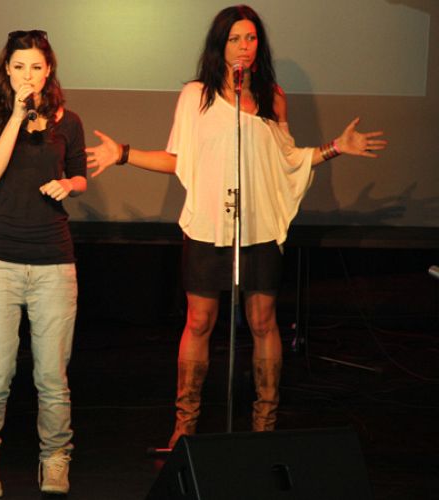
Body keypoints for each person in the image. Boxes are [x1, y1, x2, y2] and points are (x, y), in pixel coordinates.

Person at [85, 5, 386, 449]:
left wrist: (336, 147)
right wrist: (124, 154)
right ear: (219, 45)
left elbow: (287, 160)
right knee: (201, 320)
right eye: (235, 39)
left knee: (263, 320)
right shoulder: (196, 95)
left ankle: (265, 427)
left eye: (251, 39)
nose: (244, 47)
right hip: (209, 223)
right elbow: (178, 160)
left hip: (258, 225)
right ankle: (185, 426)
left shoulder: (273, 95)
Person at [0, 30, 87, 497]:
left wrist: (69, 186)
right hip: (0, 262)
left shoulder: (68, 120)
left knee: (52, 376)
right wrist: (17, 116)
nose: (27, 75)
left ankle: (55, 458)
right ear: (7, 70)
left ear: (48, 70)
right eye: (19, 67)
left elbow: (79, 174)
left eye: (36, 67)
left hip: (55, 261)